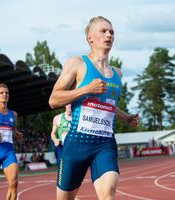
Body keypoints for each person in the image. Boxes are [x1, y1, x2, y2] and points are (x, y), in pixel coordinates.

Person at [49, 16, 139, 200]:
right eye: (103, 31)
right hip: (76, 144)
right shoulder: (78, 64)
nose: (109, 35)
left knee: (109, 193)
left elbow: (107, 105)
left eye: (112, 32)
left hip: (105, 143)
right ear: (90, 38)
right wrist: (87, 89)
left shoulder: (117, 73)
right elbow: (54, 99)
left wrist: (126, 117)